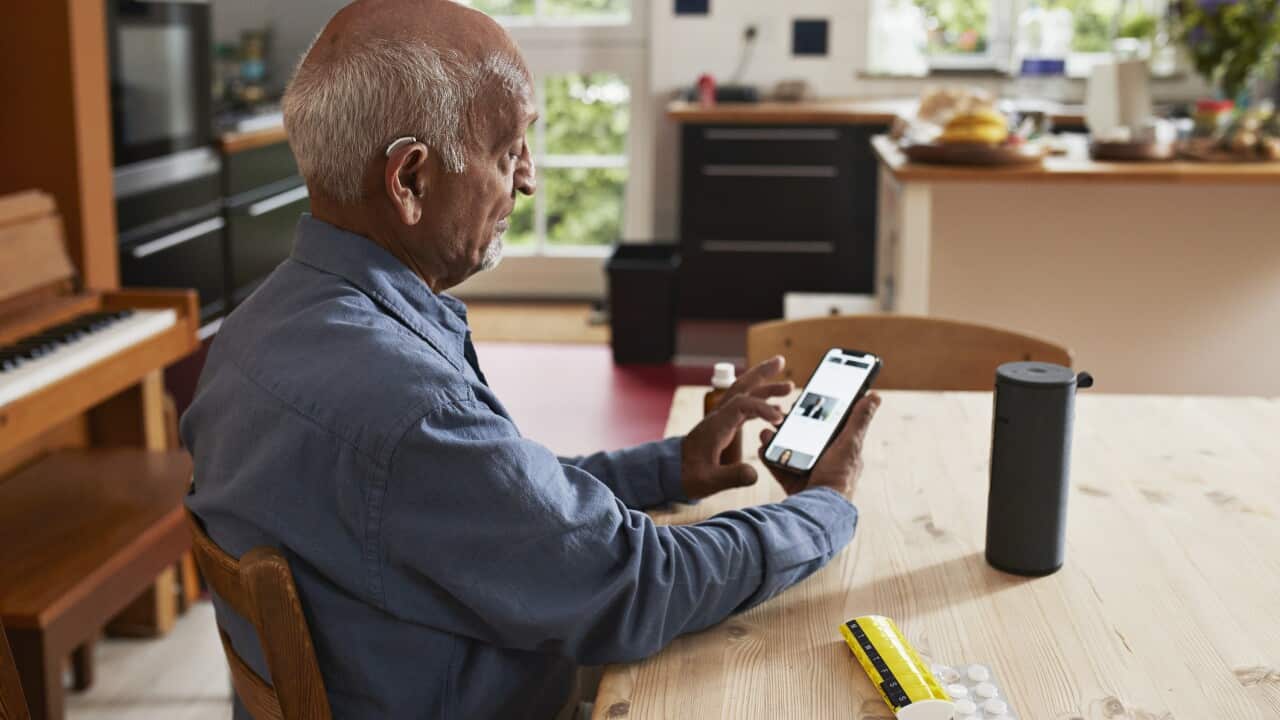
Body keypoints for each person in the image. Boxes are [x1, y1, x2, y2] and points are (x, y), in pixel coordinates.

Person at [180, 1, 881, 717]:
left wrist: (670, 468)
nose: (529, 180)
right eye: (508, 149)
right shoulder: (409, 411)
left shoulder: (250, 334)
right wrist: (825, 509)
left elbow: (479, 501)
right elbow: (639, 586)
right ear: (410, 181)